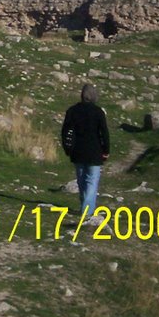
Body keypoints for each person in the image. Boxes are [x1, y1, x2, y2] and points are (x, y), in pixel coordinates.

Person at [61, 83, 110, 221]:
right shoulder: (98, 112)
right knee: (92, 181)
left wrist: (67, 148)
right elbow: (104, 133)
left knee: (81, 180)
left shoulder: (72, 111)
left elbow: (65, 131)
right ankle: (87, 211)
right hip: (95, 152)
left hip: (77, 152)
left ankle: (85, 206)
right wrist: (106, 150)